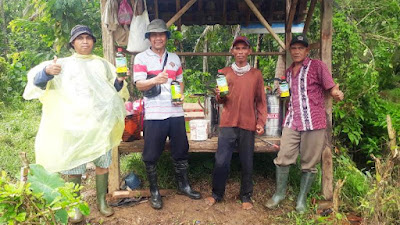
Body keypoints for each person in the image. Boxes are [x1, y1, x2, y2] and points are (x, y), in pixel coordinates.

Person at [23, 25, 127, 223]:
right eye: (80, 38)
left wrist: (120, 80)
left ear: (94, 42)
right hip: (73, 125)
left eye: (88, 38)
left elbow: (114, 91)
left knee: (103, 164)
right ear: (73, 43)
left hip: (99, 124)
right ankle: (75, 205)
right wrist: (46, 71)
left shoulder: (103, 65)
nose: (85, 41)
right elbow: (36, 84)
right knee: (73, 166)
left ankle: (102, 203)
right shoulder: (61, 64)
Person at [265, 34, 344, 213]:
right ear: (290, 51)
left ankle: (301, 200)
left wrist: (336, 93)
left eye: (301, 48)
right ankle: (279, 194)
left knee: (309, 163)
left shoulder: (317, 66)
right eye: (294, 48)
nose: (297, 51)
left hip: (314, 122)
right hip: (292, 121)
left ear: (307, 50)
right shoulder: (288, 72)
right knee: (283, 157)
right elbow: (288, 97)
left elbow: (331, 87)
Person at [133, 19, 201, 210]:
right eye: (154, 35)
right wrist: (156, 79)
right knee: (151, 154)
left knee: (181, 149)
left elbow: (179, 80)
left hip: (175, 112)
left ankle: (184, 185)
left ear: (166, 37)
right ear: (149, 38)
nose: (158, 38)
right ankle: (154, 191)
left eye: (161, 34)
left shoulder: (174, 58)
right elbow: (139, 84)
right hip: (154, 114)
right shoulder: (141, 58)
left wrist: (180, 95)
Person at [204, 36, 267, 210]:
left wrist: (261, 121)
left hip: (248, 123)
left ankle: (245, 195)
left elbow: (261, 101)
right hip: (228, 123)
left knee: (247, 161)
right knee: (221, 160)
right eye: (237, 49)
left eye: (243, 48)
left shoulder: (256, 74)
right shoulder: (224, 72)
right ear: (232, 51)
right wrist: (219, 94)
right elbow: (221, 101)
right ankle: (217, 193)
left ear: (249, 51)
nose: (240, 52)